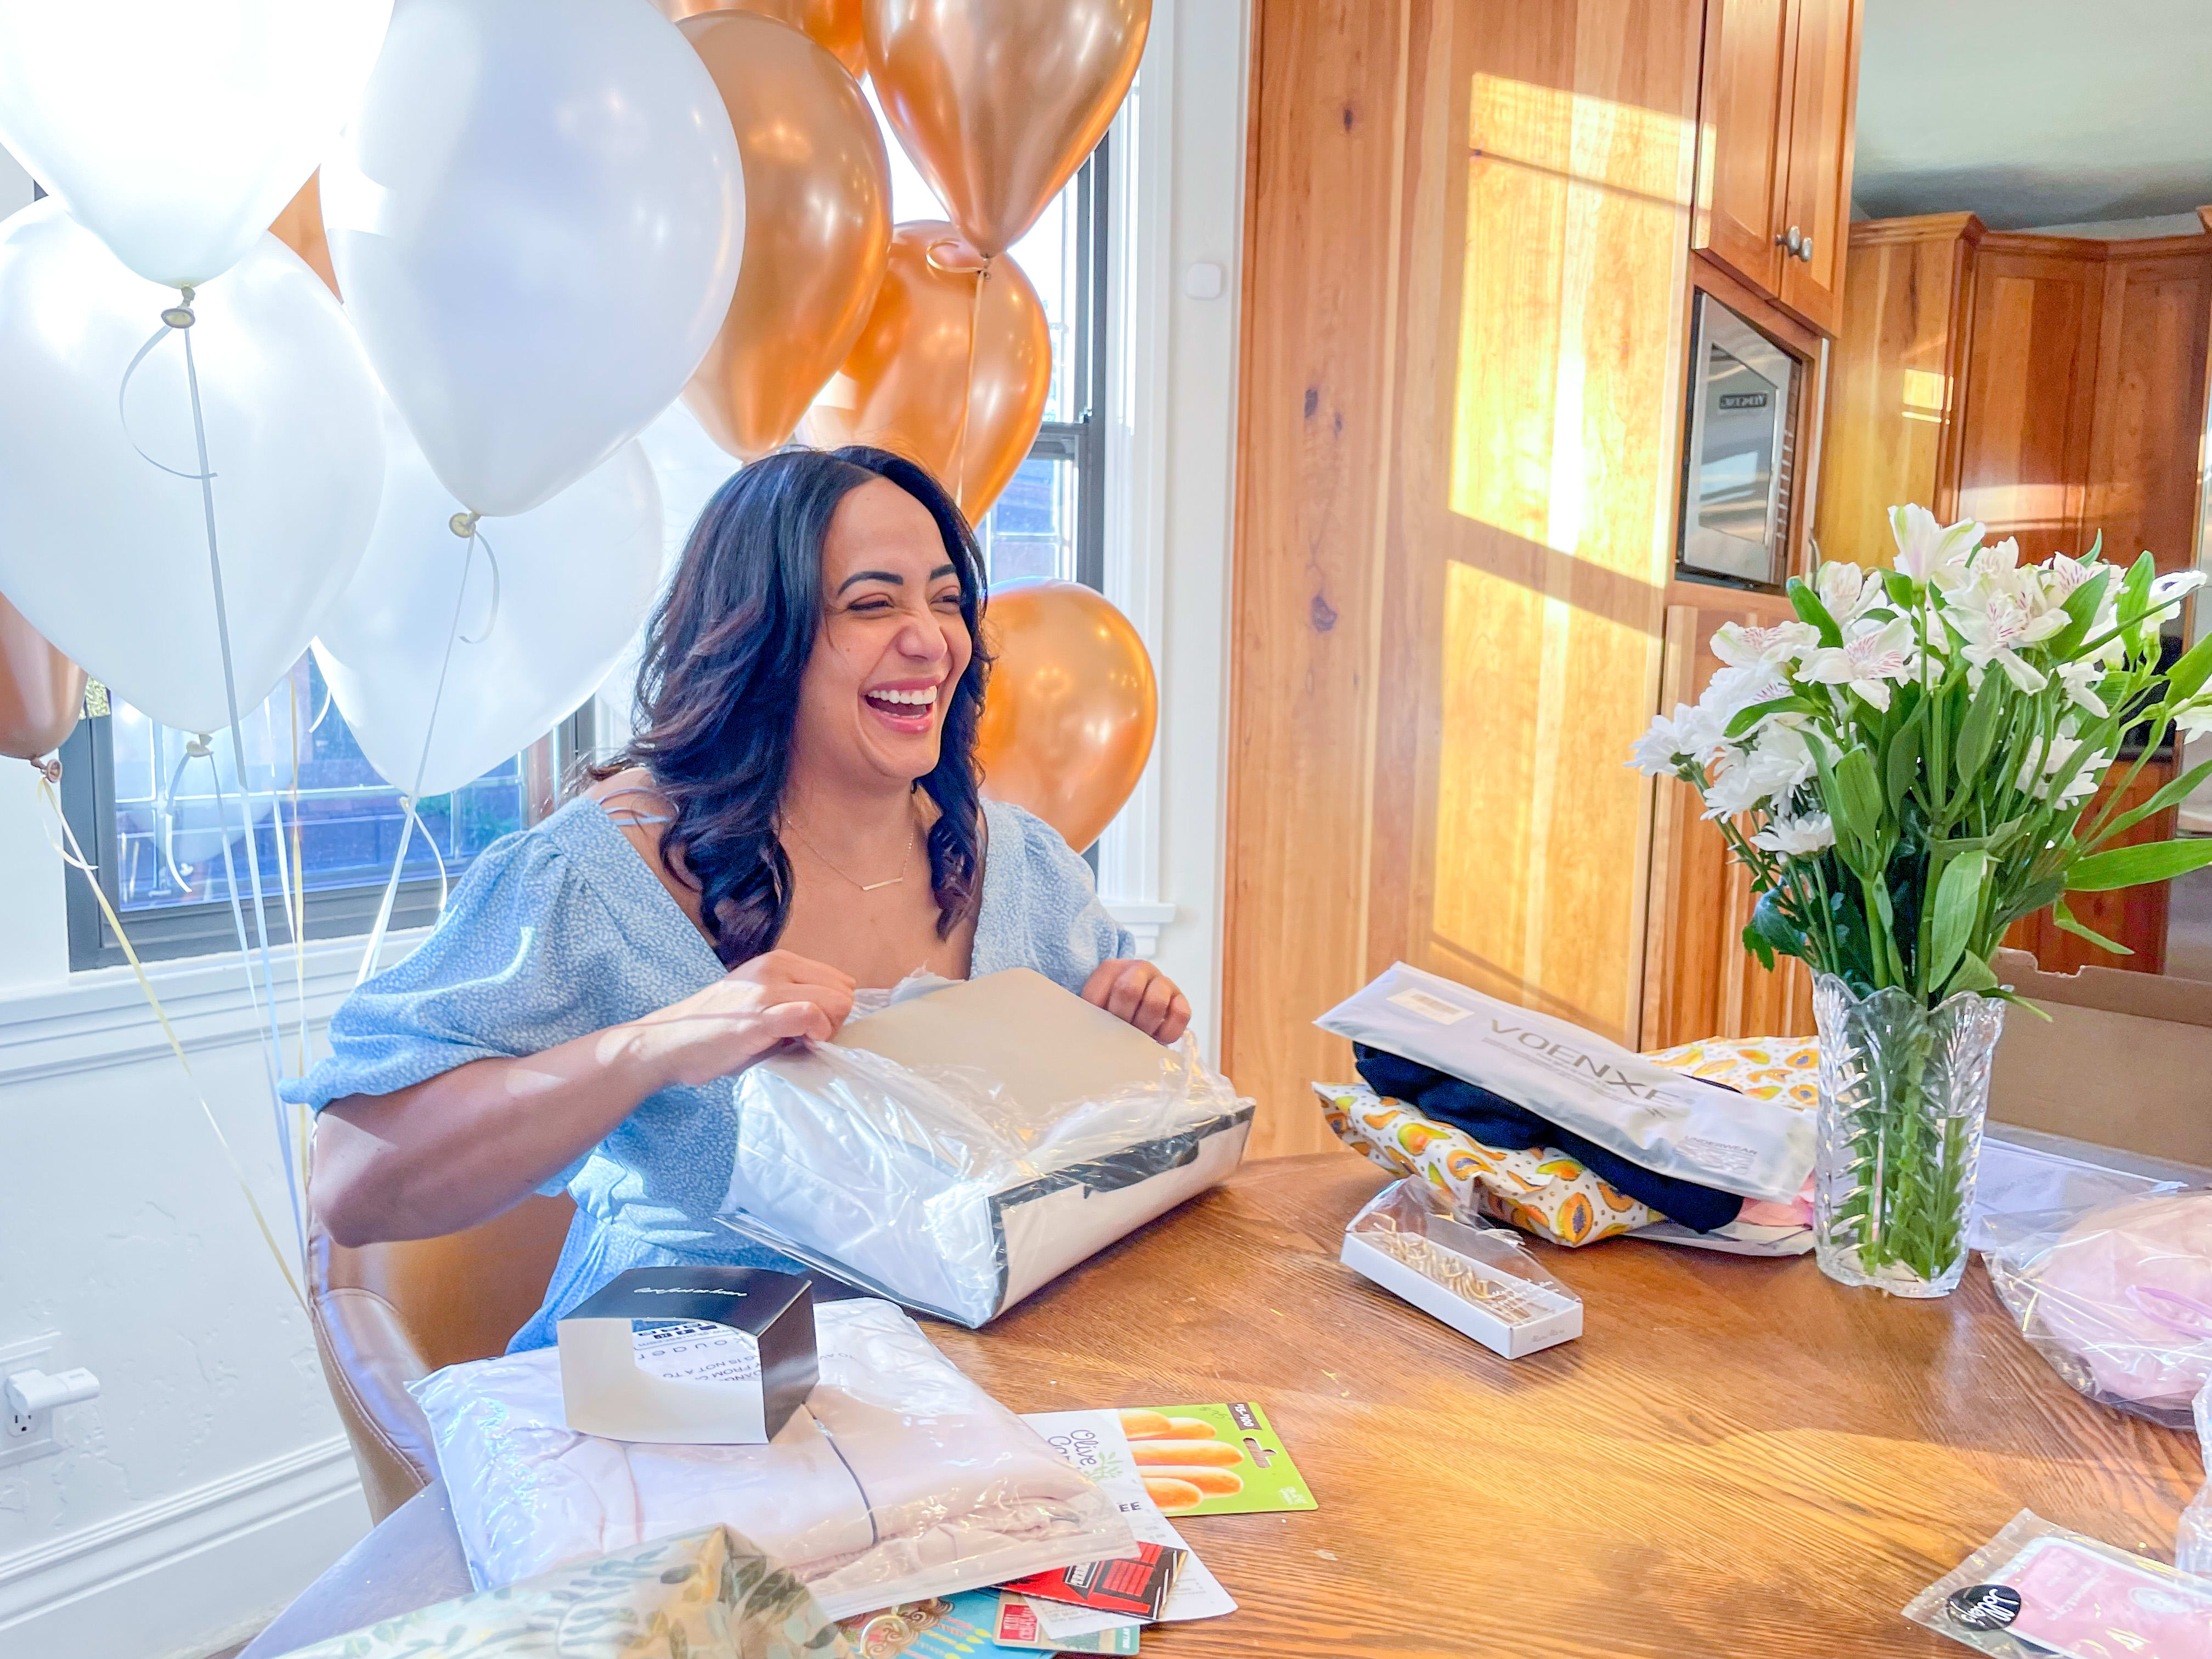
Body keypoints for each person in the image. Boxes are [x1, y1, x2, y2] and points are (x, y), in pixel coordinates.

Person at [294, 446, 1190, 1350]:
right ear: (761, 635)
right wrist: (649, 1048)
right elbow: (355, 1186)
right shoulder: (594, 876)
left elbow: (1097, 1173)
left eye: (948, 599)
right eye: (872, 604)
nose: (931, 639)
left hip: (989, 1379)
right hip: (682, 1394)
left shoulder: (1025, 868)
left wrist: (1117, 1044)